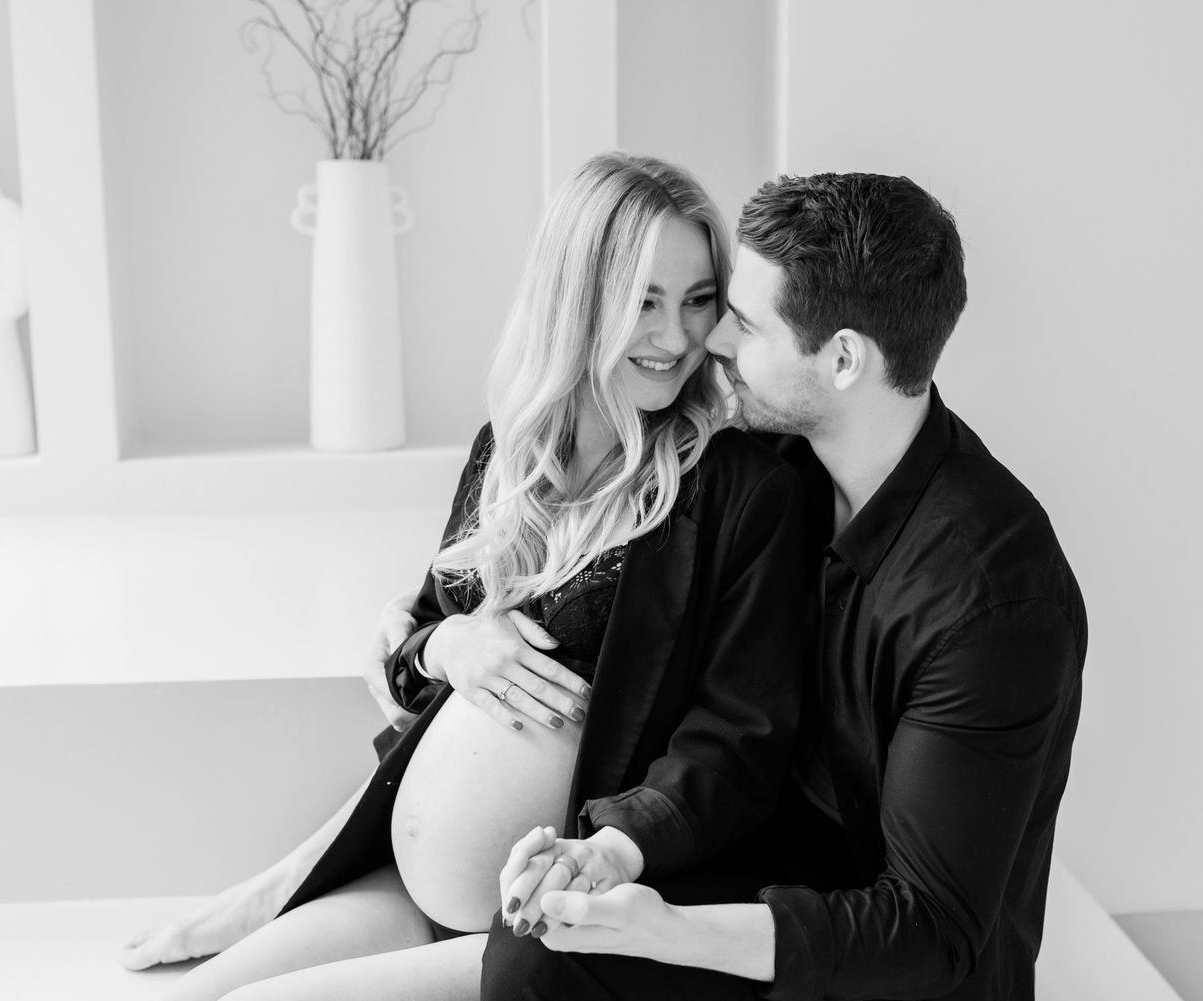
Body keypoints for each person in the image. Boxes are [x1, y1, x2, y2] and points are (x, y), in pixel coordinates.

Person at [120, 152, 813, 1001]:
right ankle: (274, 891)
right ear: (579, 298)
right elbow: (413, 651)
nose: (675, 337)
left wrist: (613, 848)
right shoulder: (510, 453)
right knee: (193, 997)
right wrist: (447, 644)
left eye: (698, 300)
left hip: (538, 920)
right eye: (643, 301)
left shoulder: (741, 487)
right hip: (409, 885)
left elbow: (740, 738)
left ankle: (276, 893)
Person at [475, 172, 1088, 1000]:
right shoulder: (778, 466)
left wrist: (669, 931)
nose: (714, 339)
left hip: (881, 967)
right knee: (541, 951)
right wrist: (434, 635)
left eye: (748, 322)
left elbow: (930, 931)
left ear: (843, 358)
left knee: (543, 964)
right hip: (768, 870)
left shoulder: (992, 599)